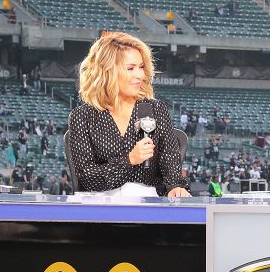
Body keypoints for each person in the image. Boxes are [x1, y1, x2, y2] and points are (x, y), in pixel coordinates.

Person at [65, 32, 190, 197]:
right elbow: (87, 178)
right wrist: (129, 160)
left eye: (141, 67)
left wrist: (176, 188)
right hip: (102, 209)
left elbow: (172, 170)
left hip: (148, 209)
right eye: (130, 68)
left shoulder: (156, 110)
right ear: (107, 71)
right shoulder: (82, 116)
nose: (139, 75)